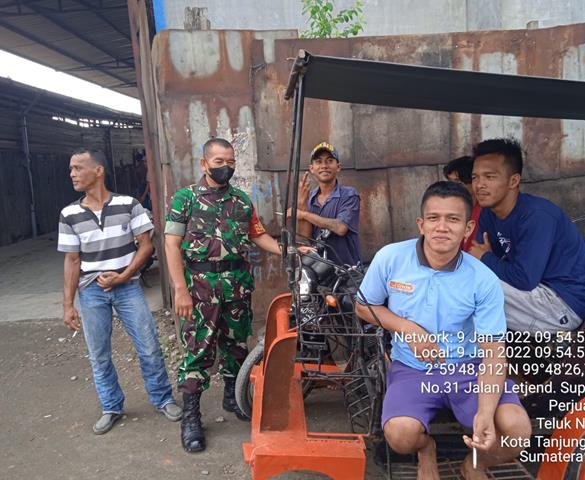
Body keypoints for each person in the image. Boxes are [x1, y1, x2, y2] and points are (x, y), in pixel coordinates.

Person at [355, 181, 531, 480]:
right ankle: (427, 449)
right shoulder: (390, 258)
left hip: (469, 369)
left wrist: (485, 412)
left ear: (467, 228)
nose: (442, 227)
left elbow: (493, 354)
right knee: (400, 436)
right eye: (434, 218)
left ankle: (474, 464)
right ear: (421, 224)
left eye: (453, 219)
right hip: (411, 369)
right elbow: (363, 306)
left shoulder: (483, 279)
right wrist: (407, 328)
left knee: (517, 430)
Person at [164, 137, 284, 453]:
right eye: (219, 162)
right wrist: (180, 290)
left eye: (230, 162)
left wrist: (288, 250)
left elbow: (258, 235)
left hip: (236, 285)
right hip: (199, 288)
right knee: (198, 350)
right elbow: (171, 245)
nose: (226, 167)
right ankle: (192, 417)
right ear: (204, 164)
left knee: (236, 343)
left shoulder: (241, 201)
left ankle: (233, 395)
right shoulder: (185, 199)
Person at [58, 148, 181, 435]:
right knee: (99, 354)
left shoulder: (128, 205)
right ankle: (111, 406)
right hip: (91, 291)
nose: (72, 174)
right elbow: (72, 260)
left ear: (98, 170)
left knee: (149, 346)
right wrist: (68, 304)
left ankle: (163, 398)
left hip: (127, 288)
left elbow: (146, 246)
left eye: (78, 167)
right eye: (71, 168)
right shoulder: (69, 214)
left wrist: (124, 275)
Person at [468, 138, 585, 332]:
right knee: (459, 280)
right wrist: (484, 258)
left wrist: (485, 257)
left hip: (560, 304)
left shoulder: (537, 216)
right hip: (528, 294)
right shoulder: (489, 211)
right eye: (475, 177)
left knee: (468, 289)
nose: (479, 185)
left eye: (489, 177)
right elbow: (474, 258)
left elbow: (523, 279)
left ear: (513, 181)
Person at [293, 141, 361, 265]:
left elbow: (340, 228)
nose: (324, 166)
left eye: (329, 161)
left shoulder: (349, 195)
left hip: (346, 270)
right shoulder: (309, 198)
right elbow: (305, 238)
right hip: (318, 270)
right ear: (311, 169)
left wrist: (304, 214)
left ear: (338, 167)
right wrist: (302, 203)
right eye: (319, 161)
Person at [443, 155, 482, 252]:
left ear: (473, 181)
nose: (453, 188)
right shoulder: (452, 208)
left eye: (459, 183)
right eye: (450, 183)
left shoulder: (484, 211)